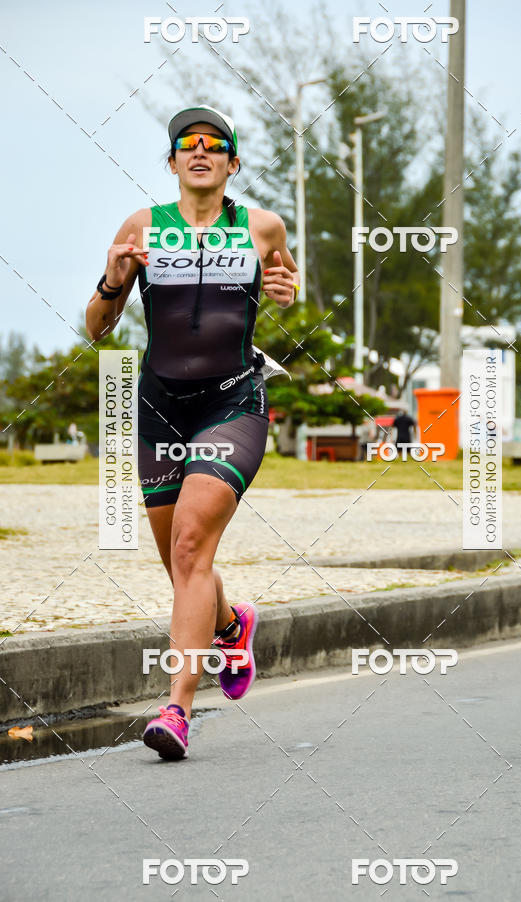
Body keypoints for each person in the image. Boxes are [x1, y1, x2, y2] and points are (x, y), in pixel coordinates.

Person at [86, 105, 299, 760]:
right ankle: (232, 624)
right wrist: (114, 280)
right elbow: (97, 327)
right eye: (187, 144)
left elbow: (285, 286)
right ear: (174, 162)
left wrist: (286, 292)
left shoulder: (262, 226)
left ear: (232, 163)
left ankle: (177, 708)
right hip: (158, 408)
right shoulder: (142, 226)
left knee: (188, 546)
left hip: (232, 403)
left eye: (214, 144)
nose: (199, 150)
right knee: (184, 567)